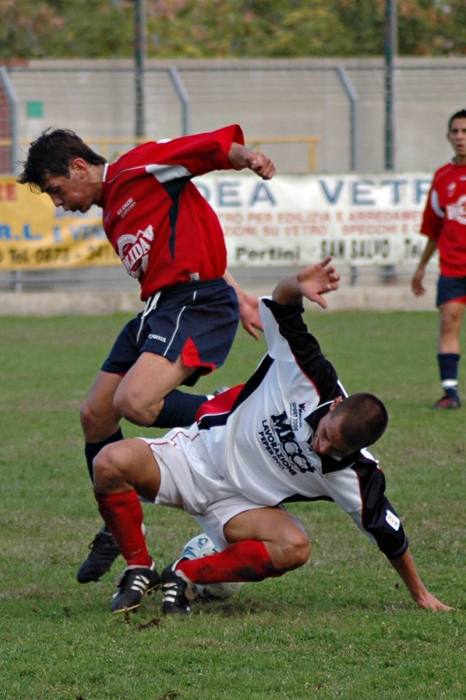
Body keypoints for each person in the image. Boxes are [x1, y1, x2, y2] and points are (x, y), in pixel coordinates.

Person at [90, 258, 451, 615]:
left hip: (239, 508)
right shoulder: (309, 372)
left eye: (334, 449)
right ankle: (140, 566)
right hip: (194, 456)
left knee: (294, 547)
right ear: (335, 404)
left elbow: (389, 533)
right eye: (324, 434)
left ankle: (184, 574)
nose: (320, 446)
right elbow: (283, 303)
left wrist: (420, 593)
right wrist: (298, 283)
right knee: (109, 464)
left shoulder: (356, 472)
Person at [18, 125, 276, 582]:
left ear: (79, 167)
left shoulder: (139, 170)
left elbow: (203, 150)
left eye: (57, 190)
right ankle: (119, 531)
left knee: (135, 403)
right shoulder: (111, 212)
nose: (59, 203)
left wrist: (247, 156)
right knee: (96, 415)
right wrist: (240, 294)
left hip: (193, 304)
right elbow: (193, 241)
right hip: (161, 309)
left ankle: (227, 414)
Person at [412, 108, 466, 409]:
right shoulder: (442, 177)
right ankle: (451, 393)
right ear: (448, 136)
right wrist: (420, 268)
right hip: (454, 269)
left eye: (465, 132)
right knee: (448, 323)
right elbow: (434, 229)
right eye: (456, 131)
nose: (460, 137)